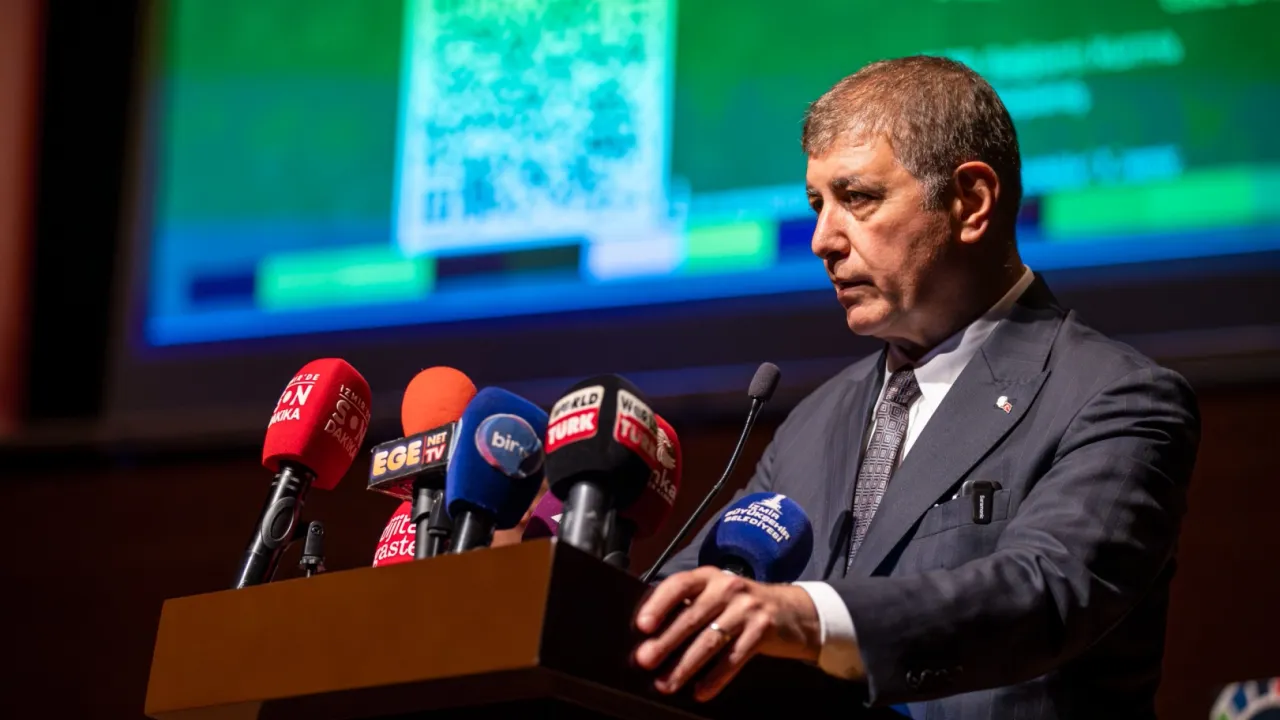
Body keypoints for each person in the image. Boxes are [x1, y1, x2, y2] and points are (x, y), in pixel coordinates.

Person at [632, 56, 1200, 719]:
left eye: (857, 198)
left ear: (972, 202)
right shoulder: (815, 421)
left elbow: (1044, 592)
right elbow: (692, 596)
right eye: (817, 204)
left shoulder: (1116, 398)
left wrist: (807, 617)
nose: (821, 240)